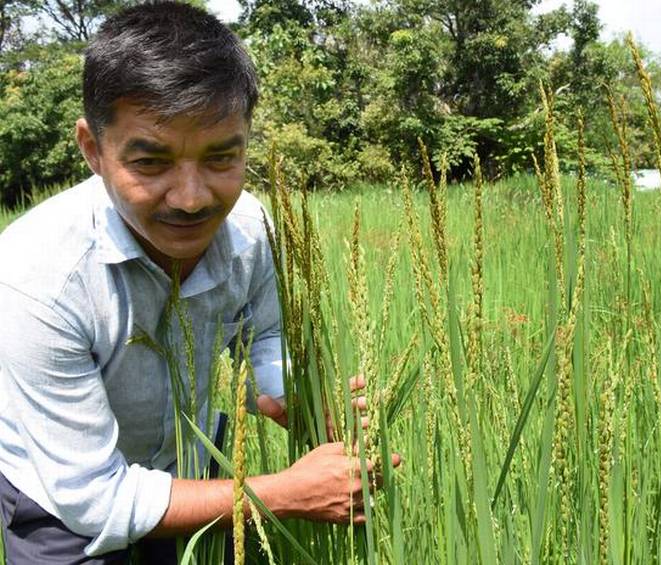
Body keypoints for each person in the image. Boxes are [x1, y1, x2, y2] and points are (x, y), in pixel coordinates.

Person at [0, 3, 397, 563]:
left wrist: (294, 393)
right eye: (151, 163)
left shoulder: (252, 229)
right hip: (63, 498)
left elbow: (262, 335)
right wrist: (286, 494)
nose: (192, 198)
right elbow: (92, 498)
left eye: (221, 158)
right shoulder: (35, 276)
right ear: (92, 149)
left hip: (188, 464)